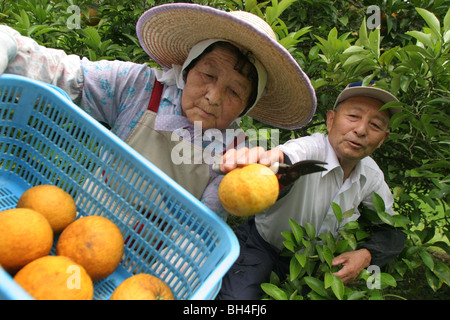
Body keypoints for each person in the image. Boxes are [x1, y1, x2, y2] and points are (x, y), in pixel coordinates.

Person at [0, 3, 316, 220]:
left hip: (156, 264)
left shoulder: (235, 150)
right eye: (208, 74)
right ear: (187, 68)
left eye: (234, 91)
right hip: (82, 224)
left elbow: (209, 220)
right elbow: (66, 75)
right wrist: (10, 45)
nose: (214, 96)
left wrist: (274, 173)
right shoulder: (138, 87)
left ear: (247, 105)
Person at [217, 82, 407, 300]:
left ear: (383, 139)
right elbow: (286, 157)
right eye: (353, 116)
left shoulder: (371, 176)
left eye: (375, 125)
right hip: (261, 248)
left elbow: (394, 229)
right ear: (331, 120)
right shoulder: (309, 149)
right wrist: (268, 162)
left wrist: (367, 255)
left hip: (315, 266)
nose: (361, 130)